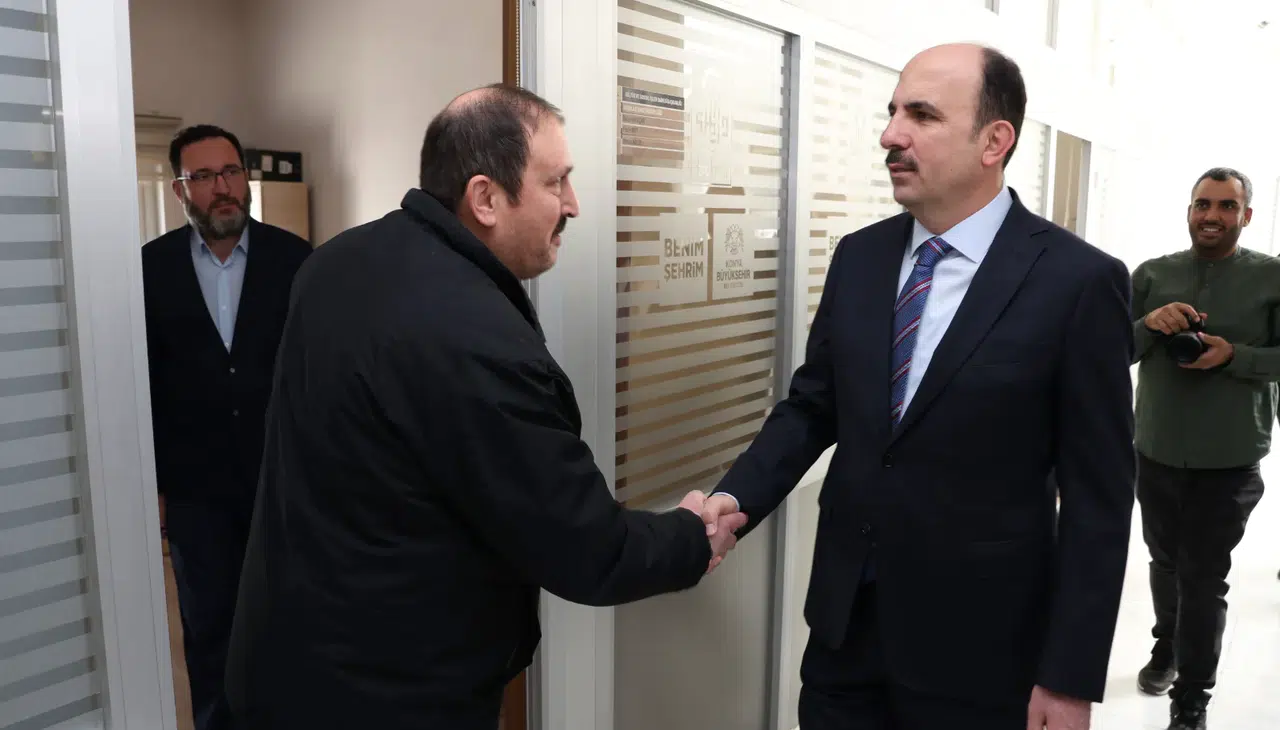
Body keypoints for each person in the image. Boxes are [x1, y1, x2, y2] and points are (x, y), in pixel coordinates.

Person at [224, 84, 747, 730]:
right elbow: (589, 550)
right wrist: (692, 537)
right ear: (485, 199)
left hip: (284, 661)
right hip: (385, 695)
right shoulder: (477, 341)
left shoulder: (336, 262)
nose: (573, 204)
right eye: (555, 182)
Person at [700, 43, 1136, 730]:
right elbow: (813, 407)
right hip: (846, 632)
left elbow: (1098, 500)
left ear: (995, 141)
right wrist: (735, 499)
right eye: (893, 112)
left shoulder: (1078, 283)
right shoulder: (861, 257)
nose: (890, 135)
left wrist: (1068, 678)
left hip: (982, 651)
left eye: (922, 115)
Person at [142, 124, 313, 730]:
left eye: (232, 172)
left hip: (282, 486)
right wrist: (156, 485)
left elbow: (317, 372)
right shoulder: (150, 268)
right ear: (180, 189)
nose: (223, 187)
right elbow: (145, 382)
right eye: (205, 176)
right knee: (210, 629)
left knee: (288, 626)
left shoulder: (297, 260)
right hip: (197, 494)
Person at [1130, 167, 1280, 730]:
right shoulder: (1152, 274)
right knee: (1165, 562)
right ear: (1189, 210)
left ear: (1247, 216)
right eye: (1202, 204)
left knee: (1202, 577)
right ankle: (1166, 646)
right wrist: (1150, 323)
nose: (1212, 215)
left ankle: (1191, 700)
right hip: (1156, 450)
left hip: (1230, 458)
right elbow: (1109, 347)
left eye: (1226, 205)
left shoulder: (1273, 279)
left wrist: (1235, 356)